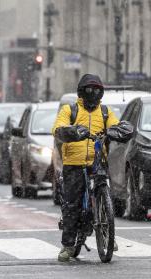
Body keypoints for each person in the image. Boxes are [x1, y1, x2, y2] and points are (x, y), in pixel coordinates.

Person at [52, 74, 133, 262]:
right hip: (74, 164)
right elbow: (58, 129)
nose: (93, 94)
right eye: (89, 90)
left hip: (97, 162)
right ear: (81, 91)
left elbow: (115, 125)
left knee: (106, 195)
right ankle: (68, 245)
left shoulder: (105, 112)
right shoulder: (69, 110)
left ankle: (107, 235)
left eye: (97, 90)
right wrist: (73, 131)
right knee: (72, 205)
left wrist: (120, 130)